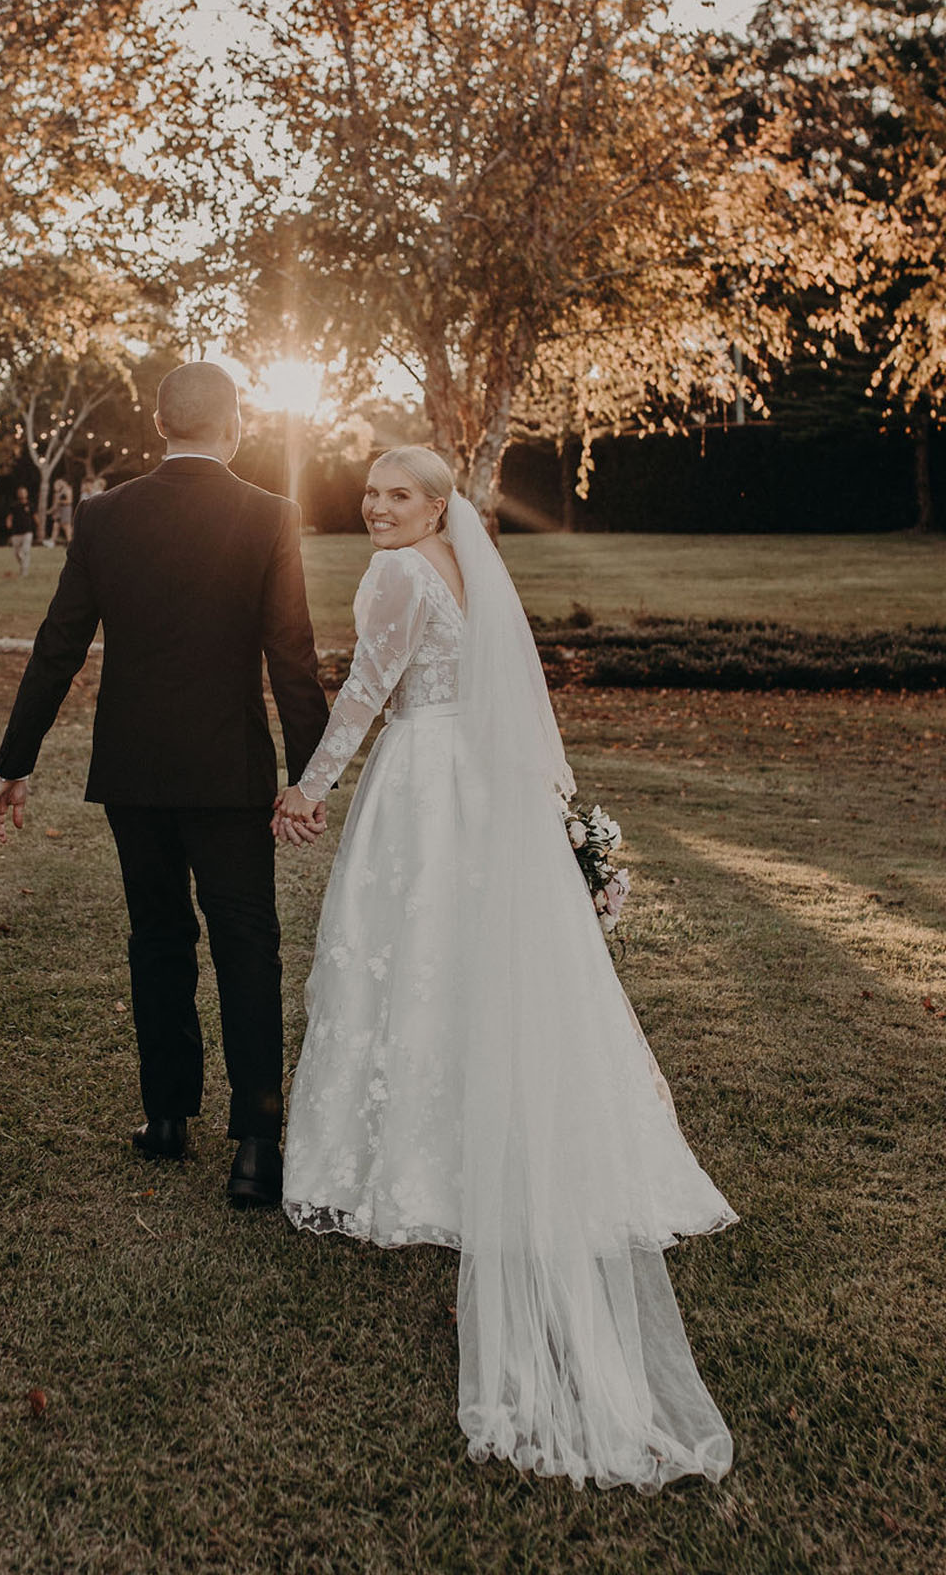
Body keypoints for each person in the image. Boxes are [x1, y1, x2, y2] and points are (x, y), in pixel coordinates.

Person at [275, 446, 737, 1491]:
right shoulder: (472, 567)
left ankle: (409, 1161)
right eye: (371, 494)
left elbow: (364, 692)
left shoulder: (395, 573)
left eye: (399, 496)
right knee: (475, 965)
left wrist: (309, 788)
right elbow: (517, 695)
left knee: (412, 958)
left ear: (438, 504)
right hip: (490, 785)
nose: (376, 508)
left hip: (427, 781)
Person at [0, 363, 330, 1205]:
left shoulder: (105, 516)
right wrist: (308, 778)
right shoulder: (270, 516)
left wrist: (14, 759)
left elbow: (59, 644)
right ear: (236, 426)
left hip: (135, 772)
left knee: (159, 936)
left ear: (160, 425)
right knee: (248, 945)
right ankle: (255, 1147)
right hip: (231, 771)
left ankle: (169, 1120)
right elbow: (292, 659)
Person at [6, 486, 35, 578]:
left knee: (25, 551)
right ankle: (23, 566)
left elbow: (35, 516)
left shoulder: (30, 505)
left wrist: (39, 528)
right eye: (20, 492)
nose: (22, 494)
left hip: (27, 532)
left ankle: (24, 571)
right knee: (17, 553)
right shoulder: (14, 506)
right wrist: (8, 523)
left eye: (24, 492)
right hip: (16, 533)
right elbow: (10, 517)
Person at [51, 477, 73, 547]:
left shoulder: (68, 490)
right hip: (62, 510)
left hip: (66, 509)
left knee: (66, 526)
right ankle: (52, 541)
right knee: (58, 525)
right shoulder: (62, 490)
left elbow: (69, 501)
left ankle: (70, 542)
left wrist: (59, 501)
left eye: (62, 482)